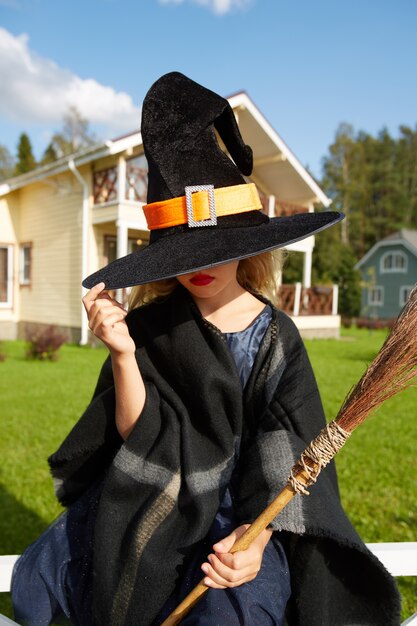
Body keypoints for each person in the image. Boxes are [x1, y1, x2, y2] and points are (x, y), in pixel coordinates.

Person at [11, 72, 401, 626]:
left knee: (233, 607)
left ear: (246, 245)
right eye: (184, 253)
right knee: (47, 576)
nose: (199, 266)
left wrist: (258, 536)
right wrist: (123, 353)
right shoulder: (150, 327)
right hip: (157, 493)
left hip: (244, 516)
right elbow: (137, 433)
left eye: (215, 249)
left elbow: (286, 450)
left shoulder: (275, 338)